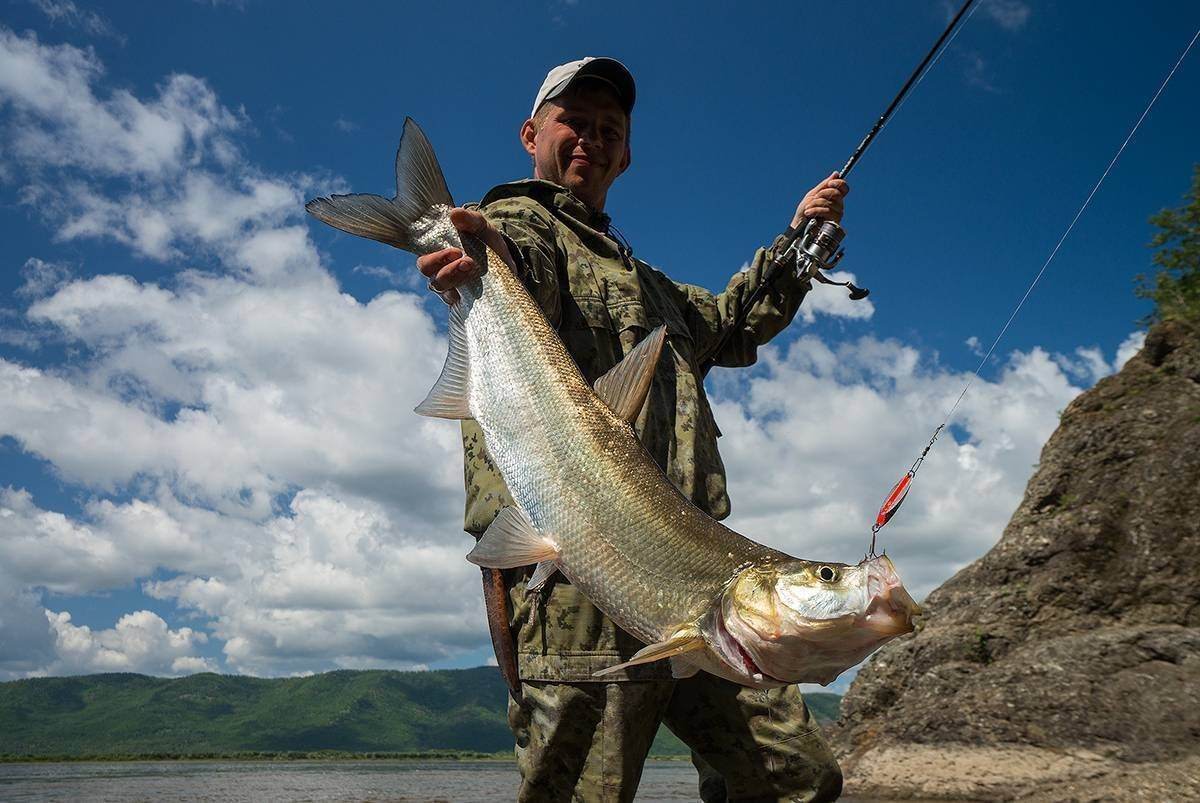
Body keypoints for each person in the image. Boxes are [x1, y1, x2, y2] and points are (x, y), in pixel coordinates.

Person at [417, 57, 849, 803]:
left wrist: (799, 243)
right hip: (574, 582)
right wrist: (482, 249)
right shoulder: (526, 225)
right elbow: (513, 254)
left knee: (799, 778)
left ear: (627, 154)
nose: (591, 138)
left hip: (699, 579)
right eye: (573, 123)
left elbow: (735, 324)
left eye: (608, 129)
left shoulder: (652, 286)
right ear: (531, 134)